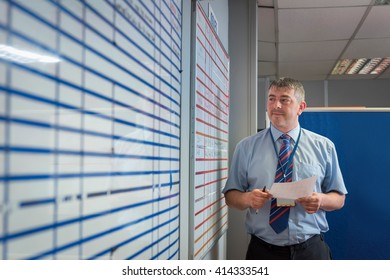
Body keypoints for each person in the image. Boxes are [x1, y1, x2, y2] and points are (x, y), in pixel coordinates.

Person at [222, 77, 347, 260]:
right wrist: (248, 198)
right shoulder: (246, 147)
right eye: (271, 98)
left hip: (310, 251)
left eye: (284, 99)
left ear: (301, 107)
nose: (276, 105)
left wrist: (320, 200)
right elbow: (231, 197)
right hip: (263, 251)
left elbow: (339, 199)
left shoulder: (324, 147)